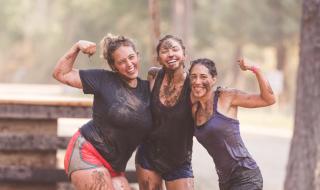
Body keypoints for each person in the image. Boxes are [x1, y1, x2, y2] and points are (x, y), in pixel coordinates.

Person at [52, 34, 153, 190]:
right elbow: (61, 73)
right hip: (87, 152)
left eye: (131, 57)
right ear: (114, 66)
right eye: (121, 62)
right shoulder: (103, 79)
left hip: (115, 166)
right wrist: (77, 46)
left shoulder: (148, 90)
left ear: (138, 56)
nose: (129, 64)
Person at [189, 58, 276, 190]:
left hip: (246, 176)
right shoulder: (194, 110)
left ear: (213, 79)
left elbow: (268, 99)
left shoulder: (226, 97)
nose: (197, 81)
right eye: (193, 77)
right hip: (225, 182)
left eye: (203, 77)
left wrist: (255, 69)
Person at [135, 35, 194, 190]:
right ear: (159, 59)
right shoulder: (153, 75)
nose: (170, 54)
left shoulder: (193, 84)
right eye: (165, 51)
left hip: (179, 159)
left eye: (175, 49)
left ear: (184, 55)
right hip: (148, 156)